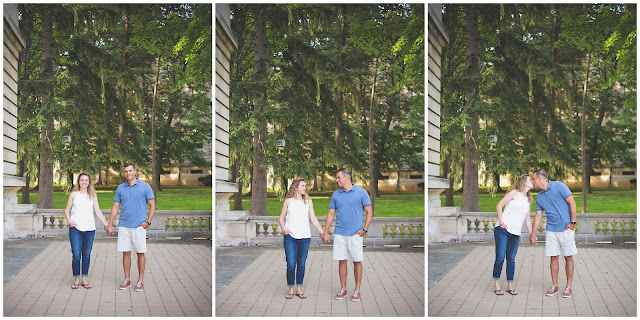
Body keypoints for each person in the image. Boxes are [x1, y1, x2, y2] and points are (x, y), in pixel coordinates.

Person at [321, 168, 373, 302]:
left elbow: (369, 212)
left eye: (338, 177)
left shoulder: (361, 193)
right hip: (339, 234)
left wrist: (364, 230)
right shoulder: (336, 194)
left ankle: (357, 290)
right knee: (342, 261)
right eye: (336, 178)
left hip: (355, 234)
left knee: (357, 262)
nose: (336, 180)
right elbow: (331, 213)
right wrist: (325, 231)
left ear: (346, 177)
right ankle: (343, 289)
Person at [106, 163, 156, 292]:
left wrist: (148, 222)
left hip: (139, 226)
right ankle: (127, 279)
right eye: (126, 172)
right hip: (124, 226)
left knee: (140, 253)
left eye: (130, 171)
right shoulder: (121, 188)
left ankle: (140, 281)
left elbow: (152, 205)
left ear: (135, 171)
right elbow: (115, 206)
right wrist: (110, 223)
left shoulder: (145, 187)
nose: (128, 173)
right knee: (126, 253)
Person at [529, 169, 578, 298]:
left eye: (533, 179)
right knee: (553, 258)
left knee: (568, 257)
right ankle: (554, 286)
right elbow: (538, 216)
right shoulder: (539, 196)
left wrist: (573, 222)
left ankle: (568, 287)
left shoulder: (559, 186)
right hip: (551, 230)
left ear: (540, 178)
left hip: (566, 229)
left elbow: (572, 202)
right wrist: (533, 233)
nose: (532, 181)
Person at [278, 178, 324, 299]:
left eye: (305, 186)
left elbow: (313, 219)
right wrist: (284, 229)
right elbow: (281, 217)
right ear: (295, 187)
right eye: (302, 186)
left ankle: (299, 288)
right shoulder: (288, 201)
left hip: (304, 237)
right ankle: (291, 289)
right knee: (291, 264)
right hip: (290, 237)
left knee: (301, 264)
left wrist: (323, 232)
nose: (304, 188)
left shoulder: (308, 201)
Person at [64, 172, 111, 289]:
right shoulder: (74, 194)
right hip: (75, 229)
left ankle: (84, 279)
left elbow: (98, 211)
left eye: (86, 180)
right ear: (78, 181)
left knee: (87, 255)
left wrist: (107, 225)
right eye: (82, 180)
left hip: (89, 229)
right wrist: (70, 222)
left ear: (89, 182)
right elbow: (67, 210)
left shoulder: (93, 195)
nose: (84, 182)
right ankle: (76, 279)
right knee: (76, 255)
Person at [492, 174, 534, 296]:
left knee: (511, 259)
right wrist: (501, 222)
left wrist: (532, 234)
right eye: (530, 180)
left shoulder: (528, 200)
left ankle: (510, 285)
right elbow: (499, 205)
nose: (532, 181)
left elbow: (527, 220)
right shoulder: (514, 193)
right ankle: (496, 283)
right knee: (500, 257)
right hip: (503, 230)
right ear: (524, 182)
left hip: (515, 233)